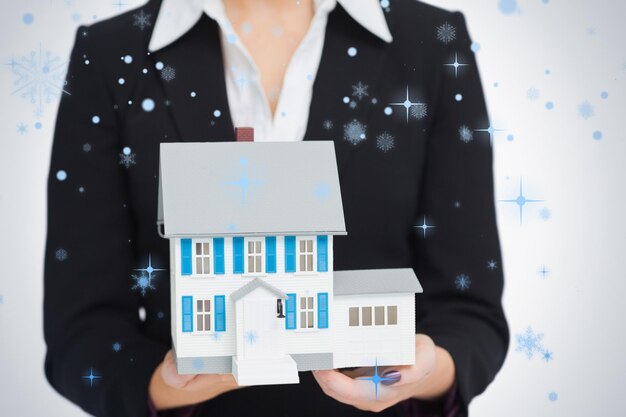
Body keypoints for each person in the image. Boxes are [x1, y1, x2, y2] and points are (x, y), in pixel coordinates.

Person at [44, 0, 508, 416]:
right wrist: (161, 388)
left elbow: (469, 312)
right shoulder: (109, 52)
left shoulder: (430, 40)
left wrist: (428, 370)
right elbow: (82, 331)